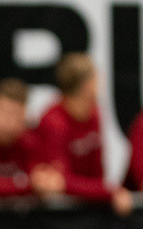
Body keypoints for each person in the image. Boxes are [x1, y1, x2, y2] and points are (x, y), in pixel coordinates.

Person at [36, 53, 132, 216]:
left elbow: (97, 171)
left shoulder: (94, 114)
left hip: (91, 208)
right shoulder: (53, 121)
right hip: (58, 214)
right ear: (86, 85)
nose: (99, 86)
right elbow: (61, 181)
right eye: (96, 80)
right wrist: (110, 192)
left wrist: (103, 193)